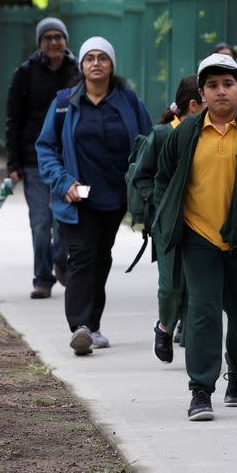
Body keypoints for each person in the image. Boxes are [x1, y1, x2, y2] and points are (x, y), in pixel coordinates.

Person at [152, 53, 237, 421]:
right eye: (212, 85)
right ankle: (200, 390)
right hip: (199, 237)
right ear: (202, 93)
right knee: (203, 313)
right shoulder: (186, 134)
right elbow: (163, 179)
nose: (220, 91)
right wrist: (169, 218)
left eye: (227, 84)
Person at [36, 36, 152, 356]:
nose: (96, 63)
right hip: (76, 198)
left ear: (112, 65)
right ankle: (80, 326)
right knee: (83, 257)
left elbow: (147, 144)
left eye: (102, 58)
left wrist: (141, 184)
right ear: (81, 65)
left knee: (101, 259)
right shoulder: (64, 102)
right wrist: (63, 182)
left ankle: (93, 325)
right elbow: (46, 148)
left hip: (115, 199)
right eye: (90, 58)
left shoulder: (128, 102)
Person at [132, 75, 205, 363]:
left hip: (201, 217)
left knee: (197, 281)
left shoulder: (207, 135)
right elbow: (142, 175)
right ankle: (164, 326)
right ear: (193, 105)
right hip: (168, 221)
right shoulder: (162, 135)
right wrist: (160, 204)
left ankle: (190, 333)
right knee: (171, 285)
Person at [5, 17, 78, 299]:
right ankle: (42, 278)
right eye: (47, 37)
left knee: (67, 219)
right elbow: (14, 120)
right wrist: (13, 164)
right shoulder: (25, 74)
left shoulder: (77, 71)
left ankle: (62, 261)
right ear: (39, 43)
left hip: (69, 160)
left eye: (58, 37)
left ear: (66, 41)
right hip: (34, 161)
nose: (53, 42)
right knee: (40, 223)